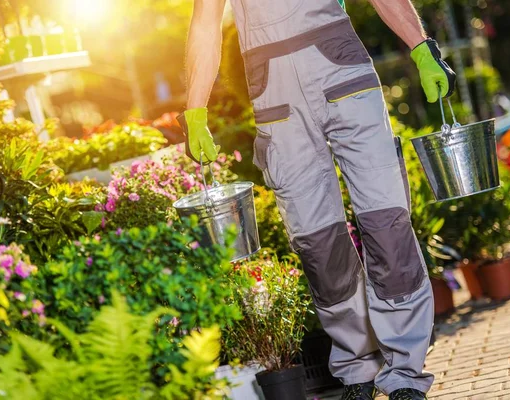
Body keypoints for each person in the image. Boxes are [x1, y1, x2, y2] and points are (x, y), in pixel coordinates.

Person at [177, 0, 456, 399]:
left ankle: (405, 376)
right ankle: (359, 369)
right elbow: (204, 24)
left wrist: (421, 46)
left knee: (387, 224)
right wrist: (195, 109)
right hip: (274, 95)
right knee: (318, 245)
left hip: (342, 71)